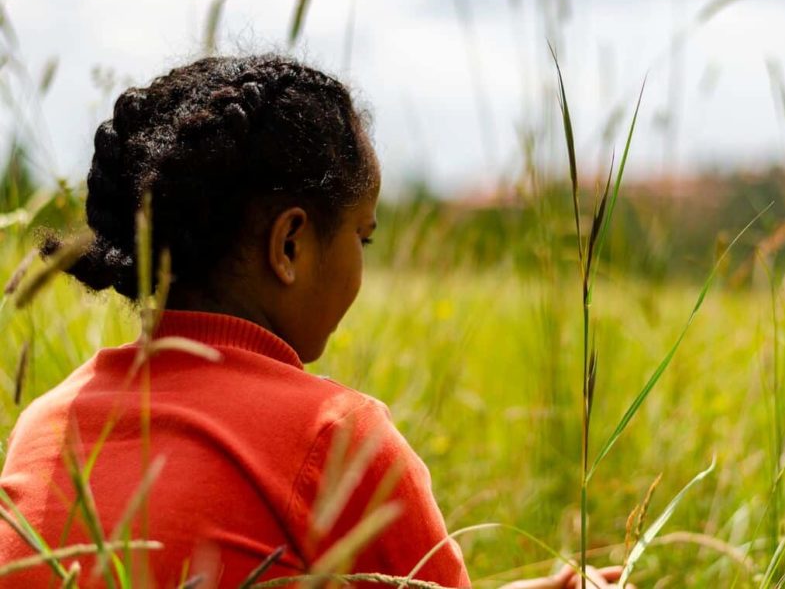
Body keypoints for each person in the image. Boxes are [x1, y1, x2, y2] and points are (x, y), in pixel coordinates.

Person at [0, 55, 616, 588]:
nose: (362, 263)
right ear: (290, 244)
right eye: (363, 236)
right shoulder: (336, 438)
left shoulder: (45, 423)